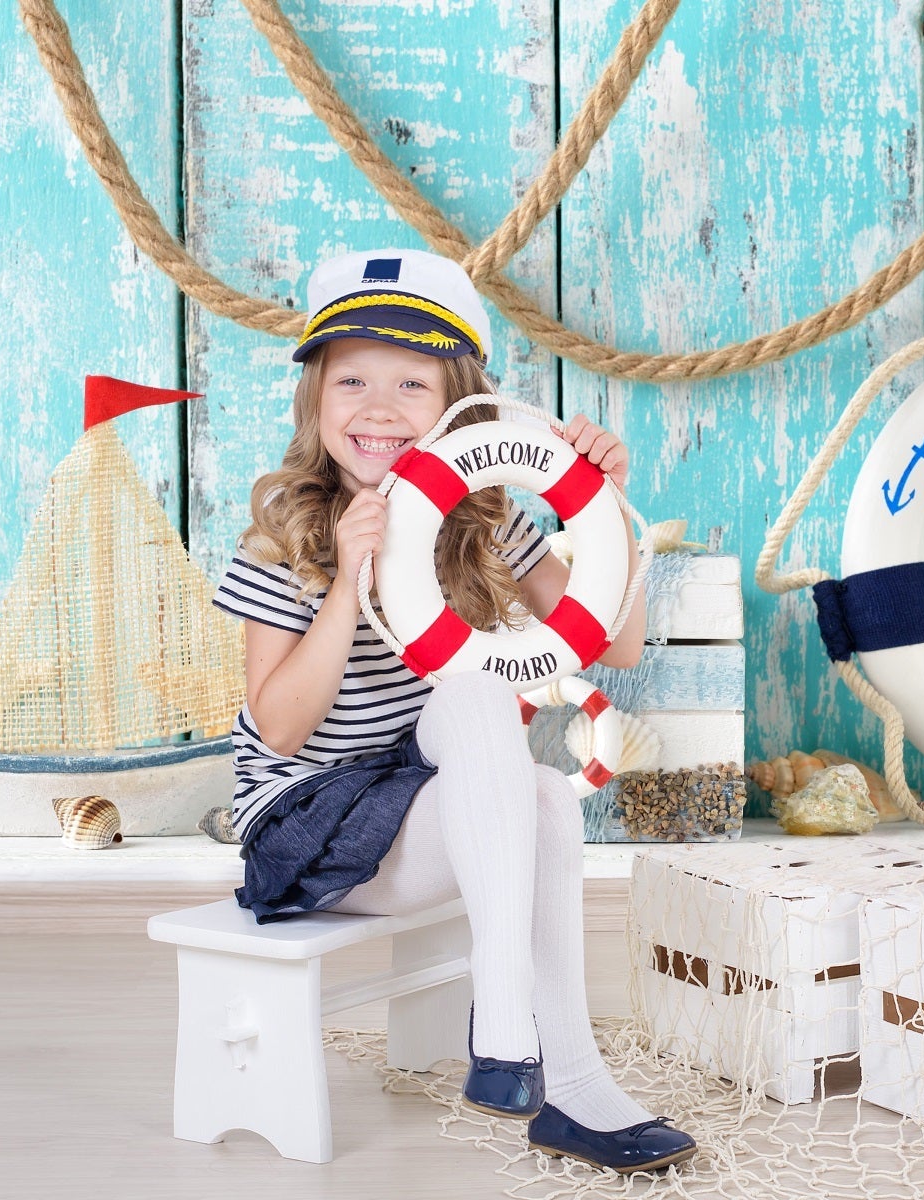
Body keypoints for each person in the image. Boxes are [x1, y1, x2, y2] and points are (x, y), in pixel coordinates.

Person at [210, 248, 696, 1175]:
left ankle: (557, 1077)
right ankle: (513, 1023)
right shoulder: (282, 542)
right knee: (490, 720)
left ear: (456, 402)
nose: (379, 407)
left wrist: (607, 506)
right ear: (315, 400)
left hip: (417, 795)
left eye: (410, 382)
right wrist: (349, 585)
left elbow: (618, 645)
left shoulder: (481, 522)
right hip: (304, 824)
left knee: (544, 786)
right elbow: (279, 728)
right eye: (349, 378)